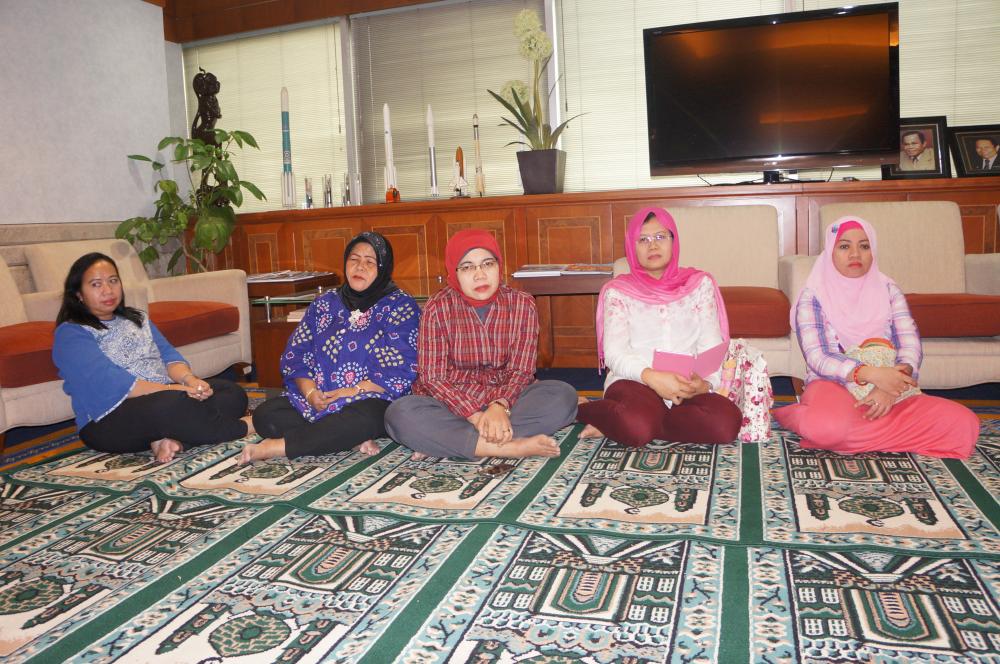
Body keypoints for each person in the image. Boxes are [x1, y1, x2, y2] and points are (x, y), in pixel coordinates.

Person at [774, 217, 980, 458]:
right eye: (844, 246)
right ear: (830, 251)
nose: (855, 254)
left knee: (965, 424)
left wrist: (890, 387)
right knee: (827, 428)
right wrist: (870, 374)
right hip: (833, 384)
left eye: (864, 246)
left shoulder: (888, 289)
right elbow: (819, 357)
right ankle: (798, 416)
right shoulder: (814, 295)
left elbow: (909, 344)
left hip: (891, 385)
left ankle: (852, 433)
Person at [385, 229, 577, 460]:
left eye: (487, 264)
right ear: (454, 272)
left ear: (499, 266)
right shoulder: (437, 308)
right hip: (452, 404)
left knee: (563, 396)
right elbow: (433, 378)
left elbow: (521, 371)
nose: (480, 275)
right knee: (399, 414)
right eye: (467, 267)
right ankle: (507, 446)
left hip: (507, 401)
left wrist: (499, 406)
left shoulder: (522, 304)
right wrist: (475, 415)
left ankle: (450, 441)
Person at [53, 252, 253, 463]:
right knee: (176, 405)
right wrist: (176, 390)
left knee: (231, 392)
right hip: (108, 419)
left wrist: (191, 381)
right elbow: (118, 386)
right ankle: (244, 426)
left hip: (164, 400)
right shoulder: (71, 333)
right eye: (96, 284)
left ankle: (173, 440)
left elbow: (169, 357)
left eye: (113, 281)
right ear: (78, 294)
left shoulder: (137, 318)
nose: (108, 290)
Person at [241, 231, 419, 463]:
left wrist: (351, 392)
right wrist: (310, 393)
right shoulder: (325, 303)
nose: (360, 267)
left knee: (365, 419)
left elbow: (400, 368)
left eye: (369, 262)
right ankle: (343, 437)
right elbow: (297, 354)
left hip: (369, 399)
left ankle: (279, 447)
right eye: (354, 259)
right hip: (320, 398)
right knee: (266, 415)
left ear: (383, 268)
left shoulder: (401, 306)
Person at [575, 207, 743, 447]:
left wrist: (705, 384)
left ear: (674, 241)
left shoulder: (699, 284)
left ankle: (624, 422)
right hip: (635, 381)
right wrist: (651, 377)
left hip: (684, 385)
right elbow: (615, 353)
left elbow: (711, 344)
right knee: (637, 426)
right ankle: (582, 410)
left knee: (726, 424)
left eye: (660, 237)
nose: (652, 245)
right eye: (643, 239)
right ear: (632, 248)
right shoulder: (618, 291)